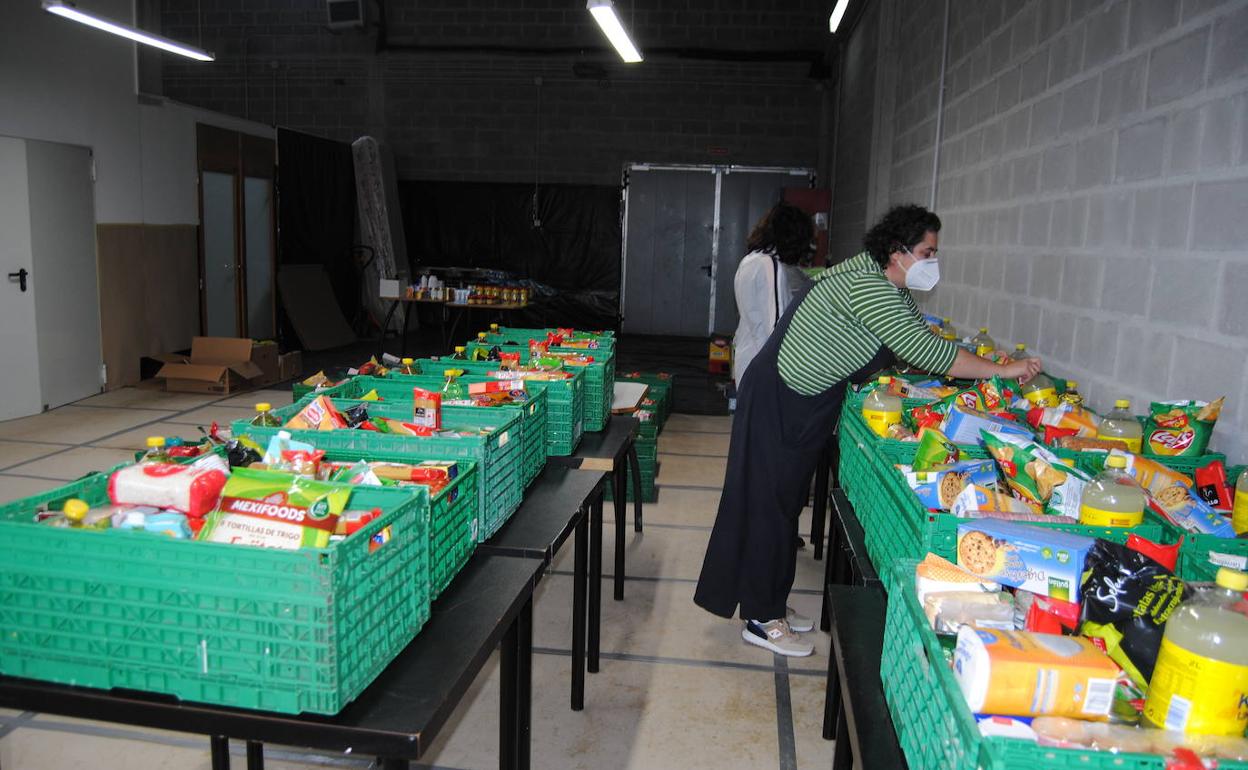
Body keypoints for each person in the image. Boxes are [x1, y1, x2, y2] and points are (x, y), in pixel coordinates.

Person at [693, 204, 1043, 657]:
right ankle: (761, 618)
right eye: (927, 251)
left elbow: (922, 337)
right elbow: (929, 353)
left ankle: (769, 603)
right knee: (768, 505)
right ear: (897, 252)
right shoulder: (868, 286)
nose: (932, 262)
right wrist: (1009, 369)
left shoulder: (888, 288)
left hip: (801, 398)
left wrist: (990, 367)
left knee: (782, 505)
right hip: (783, 398)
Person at [731, 202, 814, 385]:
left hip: (747, 358)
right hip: (764, 366)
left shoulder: (750, 259)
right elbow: (776, 326)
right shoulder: (770, 265)